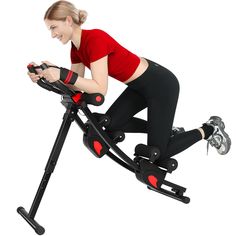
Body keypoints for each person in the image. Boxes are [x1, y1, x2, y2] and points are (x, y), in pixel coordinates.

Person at [28, 0, 231, 161]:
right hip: (137, 87)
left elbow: (100, 88)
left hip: (160, 85)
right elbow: (75, 84)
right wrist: (48, 74)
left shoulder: (94, 39)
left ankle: (210, 129)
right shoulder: (77, 48)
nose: (53, 34)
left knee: (160, 152)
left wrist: (62, 73)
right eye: (50, 30)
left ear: (69, 21)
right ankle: (167, 129)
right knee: (109, 124)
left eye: (54, 28)